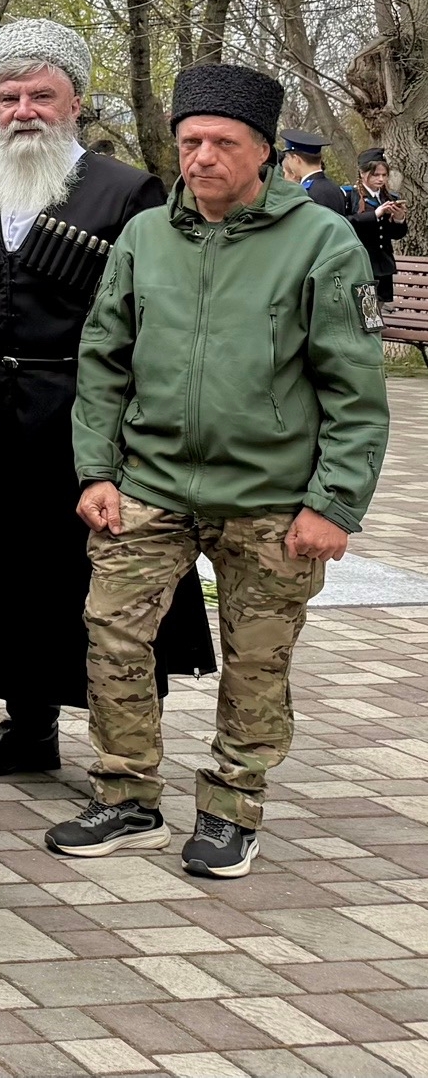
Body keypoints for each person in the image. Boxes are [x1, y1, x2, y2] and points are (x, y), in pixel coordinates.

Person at [47, 62, 387, 878]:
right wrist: (96, 472)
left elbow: (355, 388)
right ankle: (127, 795)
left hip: (272, 499)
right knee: (112, 634)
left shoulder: (320, 242)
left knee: (257, 660)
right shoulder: (146, 237)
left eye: (222, 143)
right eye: (190, 141)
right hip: (151, 484)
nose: (202, 158)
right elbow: (103, 360)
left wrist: (335, 504)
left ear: (264, 151)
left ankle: (233, 807)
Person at [0, 21, 210, 778]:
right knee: (7, 576)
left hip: (85, 421)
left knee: (102, 580)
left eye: (41, 95)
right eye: (9, 97)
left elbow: (154, 321)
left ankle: (124, 753)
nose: (23, 111)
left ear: (76, 103)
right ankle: (28, 728)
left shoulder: (128, 192)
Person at [350, 148, 405, 303]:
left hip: (383, 264)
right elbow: (345, 223)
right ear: (362, 173)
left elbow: (397, 235)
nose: (381, 179)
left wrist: (399, 219)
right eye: (375, 175)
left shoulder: (389, 197)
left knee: (379, 310)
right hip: (361, 264)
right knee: (366, 311)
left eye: (384, 175)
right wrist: (374, 214)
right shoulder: (350, 196)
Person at [280, 130, 354, 219]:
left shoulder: (305, 193)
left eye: (288, 158)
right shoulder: (334, 187)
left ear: (296, 159)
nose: (288, 161)